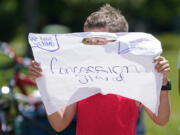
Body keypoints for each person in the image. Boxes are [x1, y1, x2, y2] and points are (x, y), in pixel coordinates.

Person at [29, 4, 171, 135]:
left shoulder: (135, 74)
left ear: (118, 42)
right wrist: (43, 84)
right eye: (89, 41)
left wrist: (163, 82)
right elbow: (59, 124)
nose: (93, 46)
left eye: (99, 41)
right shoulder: (80, 76)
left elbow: (161, 119)